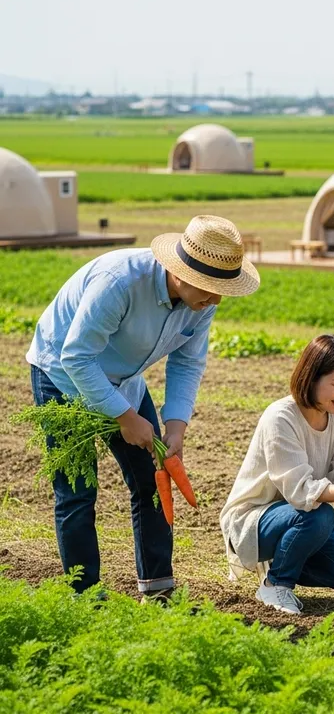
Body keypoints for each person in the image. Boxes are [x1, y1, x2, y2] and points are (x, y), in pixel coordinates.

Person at [27, 215, 260, 599]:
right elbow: (77, 356)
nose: (216, 299)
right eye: (210, 289)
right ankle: (85, 596)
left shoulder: (201, 301)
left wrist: (177, 424)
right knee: (77, 490)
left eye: (222, 290)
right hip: (63, 376)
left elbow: (187, 362)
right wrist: (123, 416)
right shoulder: (119, 282)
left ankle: (158, 591)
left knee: (153, 480)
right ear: (180, 272)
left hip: (124, 379)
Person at [220, 334, 334, 615]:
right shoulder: (281, 417)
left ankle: (286, 557)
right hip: (255, 521)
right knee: (321, 515)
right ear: (311, 377)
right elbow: (301, 491)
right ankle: (276, 583)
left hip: (299, 517)